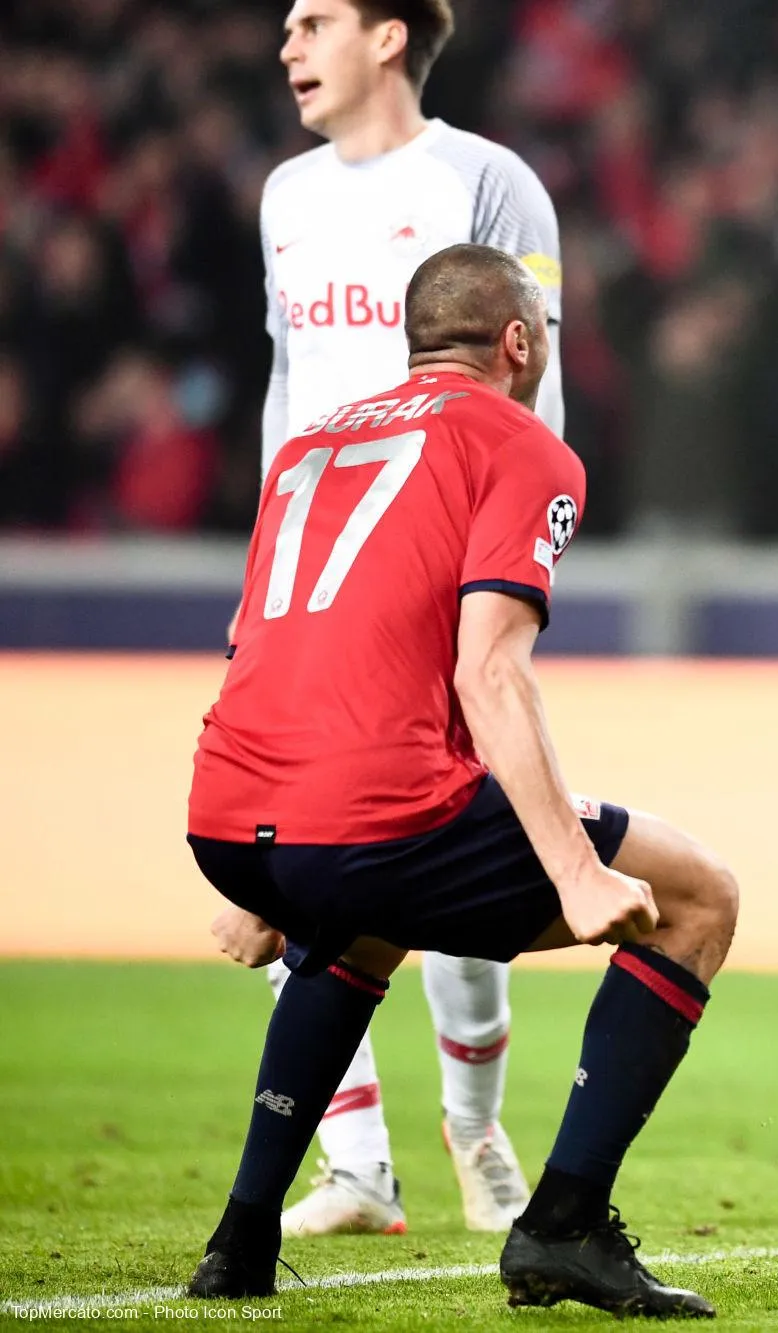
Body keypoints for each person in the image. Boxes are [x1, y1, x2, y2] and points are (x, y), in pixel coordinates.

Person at [187, 244, 736, 1320]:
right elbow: (488, 670)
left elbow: (251, 640)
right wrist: (576, 874)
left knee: (368, 916)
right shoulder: (524, 445)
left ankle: (241, 1237)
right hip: (368, 808)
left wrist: (261, 879)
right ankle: (563, 1227)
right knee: (699, 893)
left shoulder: (310, 444)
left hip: (230, 803)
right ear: (518, 342)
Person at [252, 0, 568, 1236]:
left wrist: (523, 560)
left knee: (461, 863)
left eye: (313, 19)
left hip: (441, 569)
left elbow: (535, 370)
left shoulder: (486, 182)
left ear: (389, 36)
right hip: (311, 576)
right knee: (277, 843)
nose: (288, 44)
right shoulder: (283, 195)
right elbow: (288, 382)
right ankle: (356, 1162)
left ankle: (475, 1117)